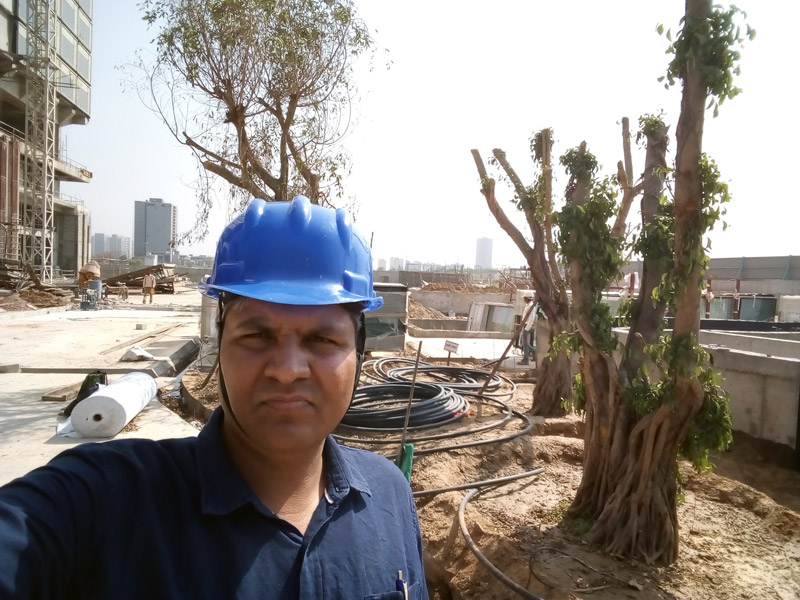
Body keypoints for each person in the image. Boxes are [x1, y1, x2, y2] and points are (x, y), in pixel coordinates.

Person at [0, 196, 429, 599]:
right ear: (220, 344)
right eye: (257, 335)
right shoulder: (106, 500)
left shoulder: (389, 495)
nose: (287, 369)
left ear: (359, 353)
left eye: (321, 339)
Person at [519, 292, 537, 365]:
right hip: (526, 325)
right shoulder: (528, 305)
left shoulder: (531, 306)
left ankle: (526, 359)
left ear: (527, 298)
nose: (524, 299)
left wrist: (527, 328)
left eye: (524, 298)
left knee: (525, 343)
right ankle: (534, 353)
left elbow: (531, 319)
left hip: (528, 326)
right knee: (525, 342)